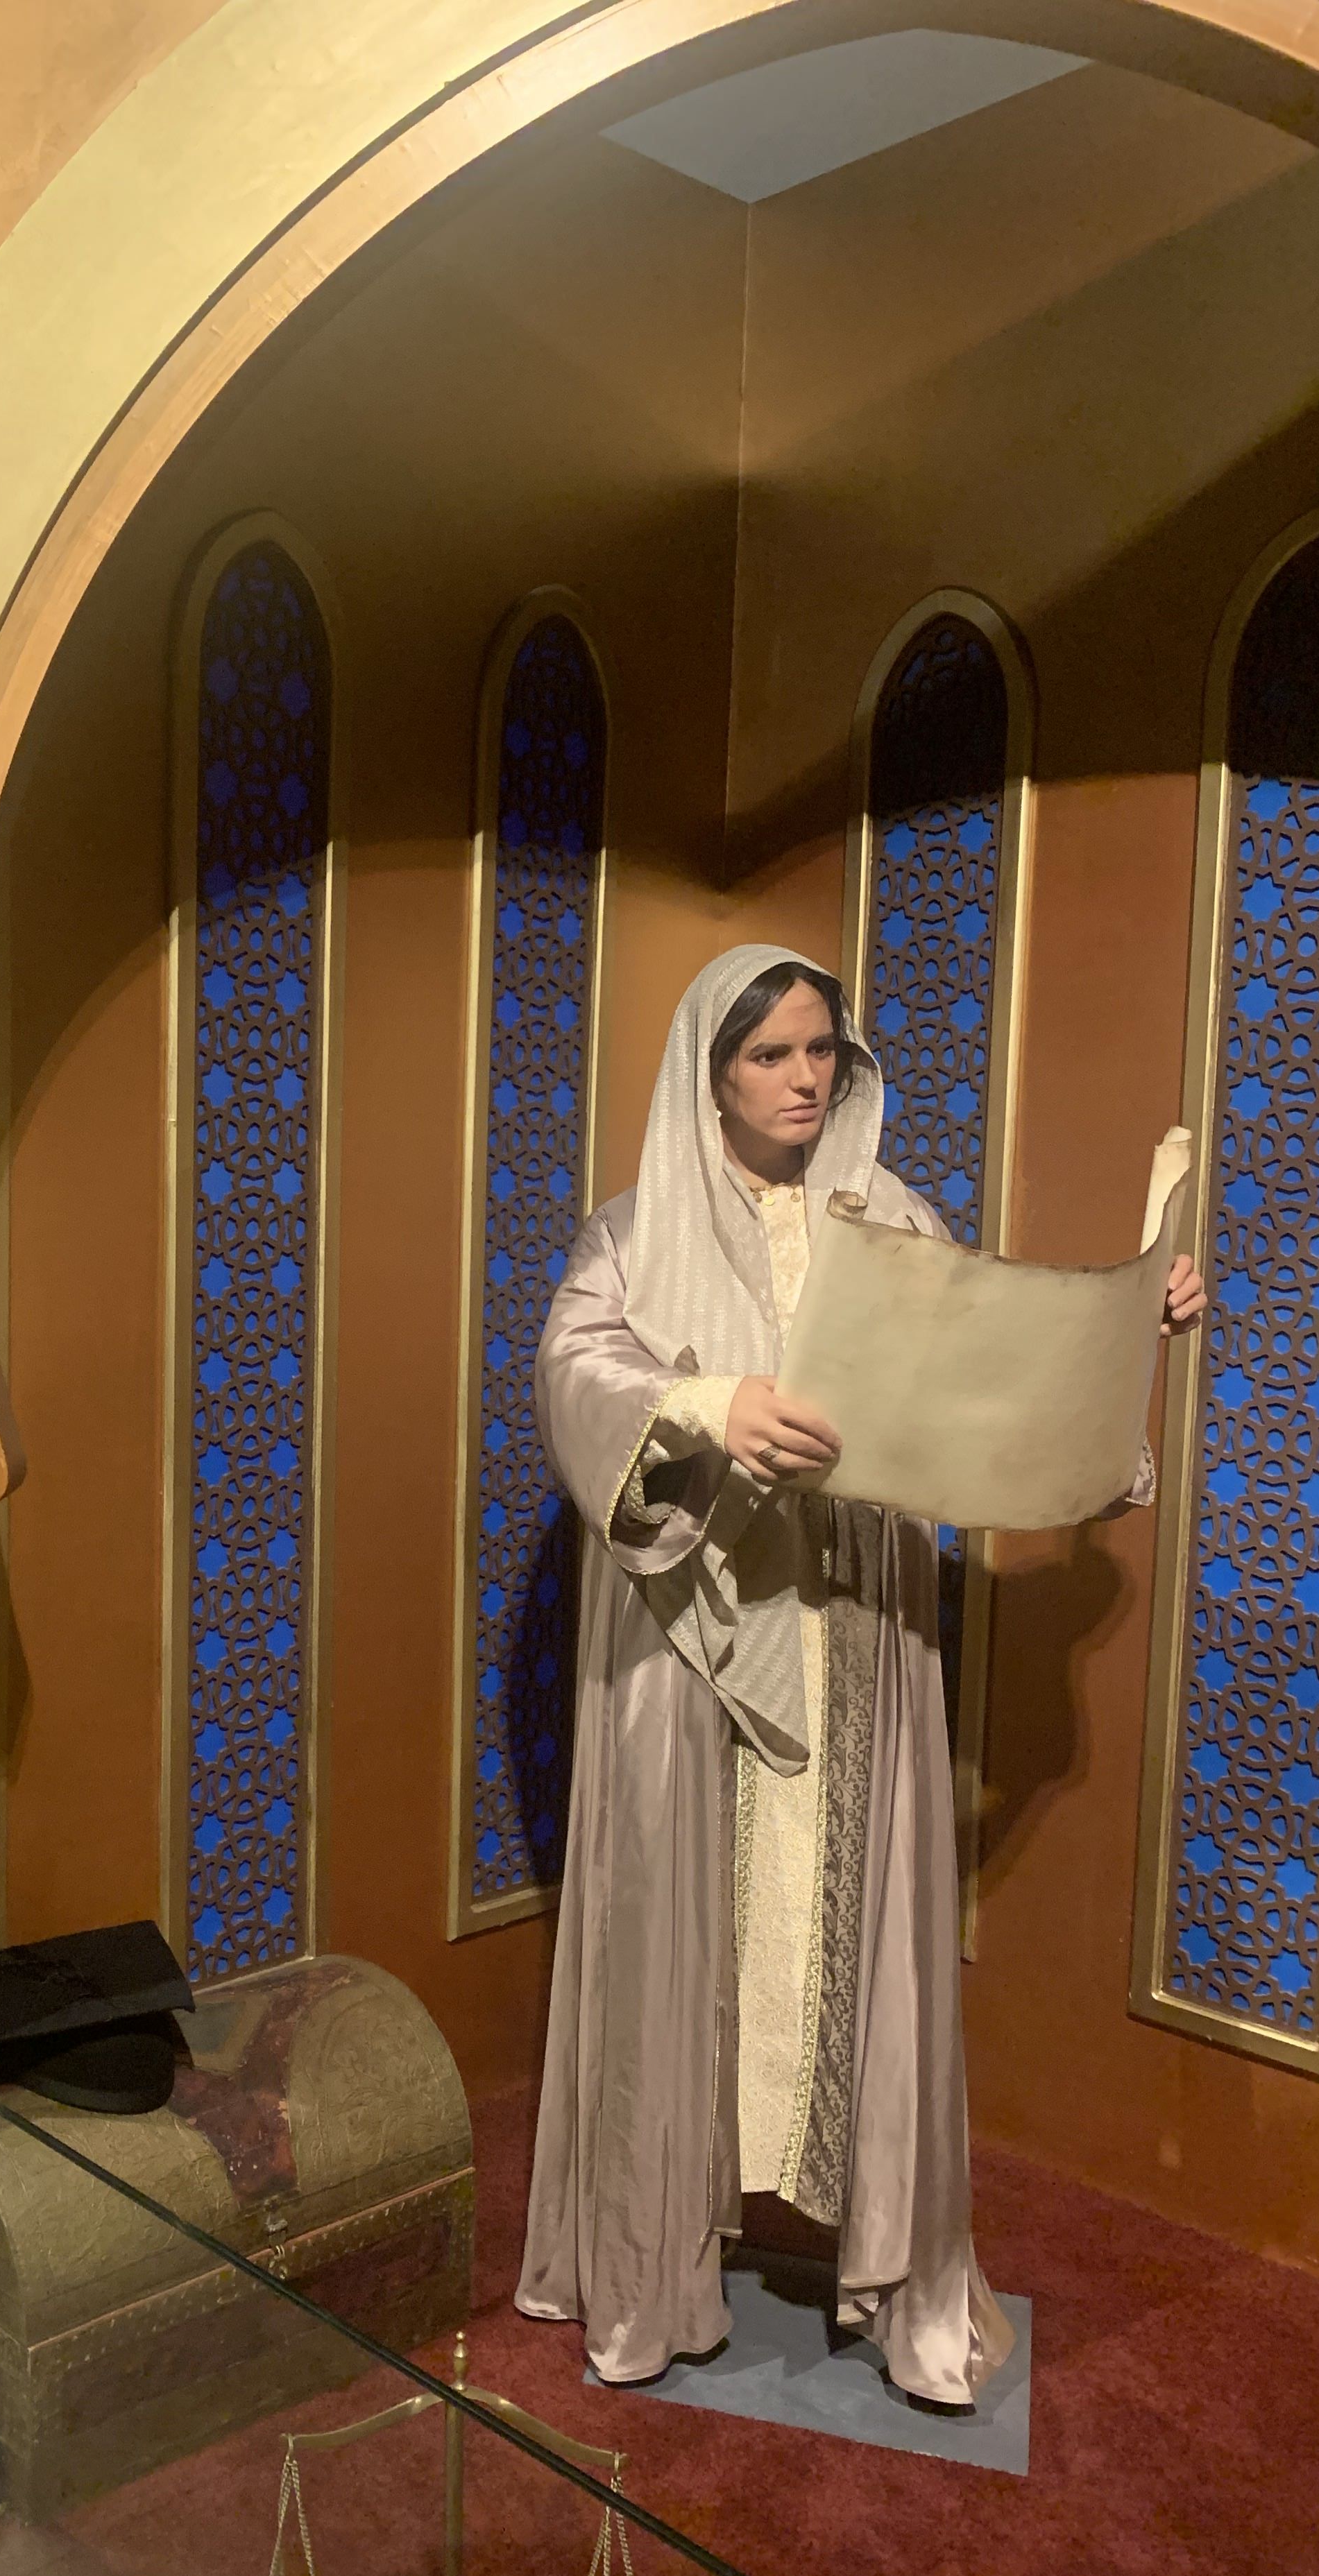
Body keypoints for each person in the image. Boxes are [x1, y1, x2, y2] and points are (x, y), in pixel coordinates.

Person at [516, 943, 1207, 2401]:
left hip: (856, 1631)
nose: (802, 1079)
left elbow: (990, 1372)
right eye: (768, 1055)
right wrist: (708, 1403)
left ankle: (898, 2278)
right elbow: (575, 1376)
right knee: (684, 1927)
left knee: (852, 1925)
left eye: (820, 1050)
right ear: (711, 1072)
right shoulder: (635, 1235)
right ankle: (654, 2270)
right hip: (693, 1645)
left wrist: (1123, 1325)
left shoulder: (888, 1221)